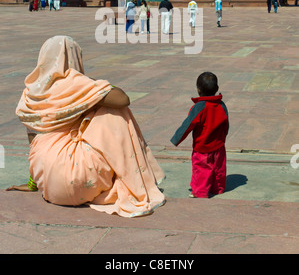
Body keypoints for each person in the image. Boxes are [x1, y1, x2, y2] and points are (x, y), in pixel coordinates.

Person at [7, 36, 165, 218]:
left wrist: (34, 183)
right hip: (82, 181)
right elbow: (123, 99)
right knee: (114, 110)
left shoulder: (31, 93)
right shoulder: (76, 85)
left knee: (48, 140)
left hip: (50, 187)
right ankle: (131, 177)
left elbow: (34, 143)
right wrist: (91, 84)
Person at [170, 72, 229, 198]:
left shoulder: (199, 107)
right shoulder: (222, 105)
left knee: (202, 170)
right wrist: (223, 138)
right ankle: (218, 188)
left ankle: (200, 192)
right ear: (217, 89)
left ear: (198, 90)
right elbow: (226, 125)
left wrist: (176, 139)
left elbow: (187, 125)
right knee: (219, 168)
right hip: (219, 146)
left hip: (202, 148)